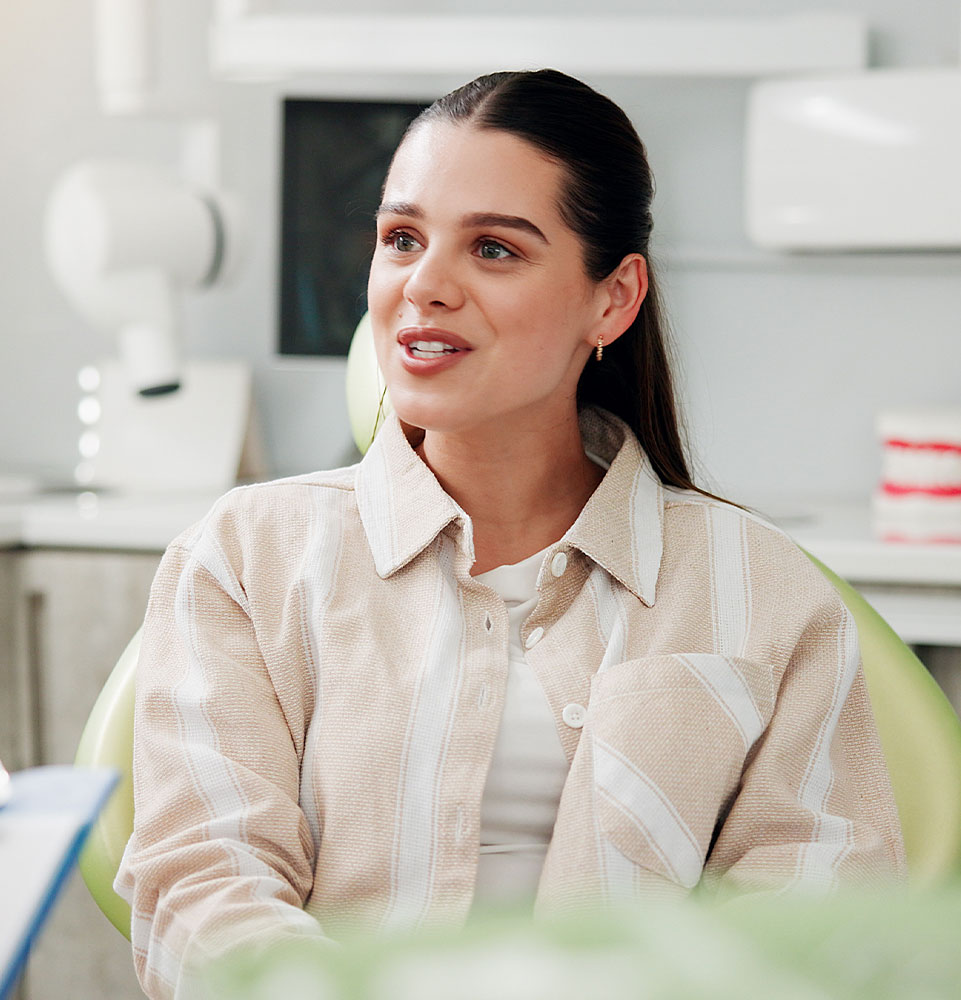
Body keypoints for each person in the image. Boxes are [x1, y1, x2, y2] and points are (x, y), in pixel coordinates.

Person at [116, 69, 905, 998]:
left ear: (611, 300)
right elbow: (203, 884)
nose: (424, 286)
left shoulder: (760, 588)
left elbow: (812, 909)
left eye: (492, 248)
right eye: (401, 238)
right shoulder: (247, 556)